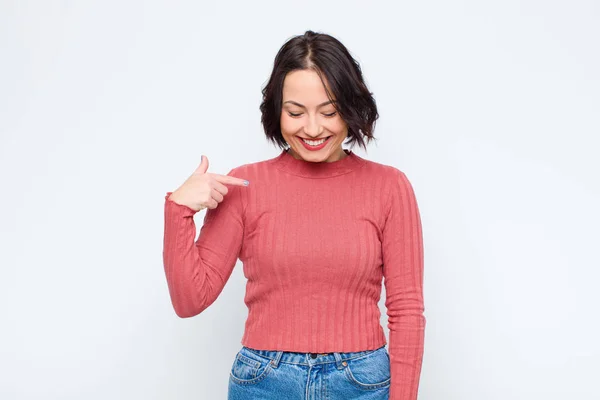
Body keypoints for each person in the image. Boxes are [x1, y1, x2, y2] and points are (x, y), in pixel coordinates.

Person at [163, 30, 425, 400]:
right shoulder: (246, 185)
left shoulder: (389, 187)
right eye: (295, 112)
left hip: (361, 383)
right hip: (264, 381)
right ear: (277, 110)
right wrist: (179, 209)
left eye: (330, 112)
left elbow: (407, 311)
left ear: (351, 107)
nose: (313, 129)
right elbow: (190, 300)